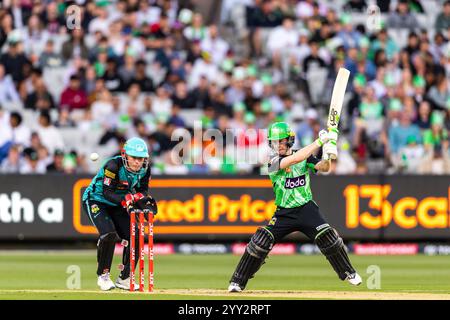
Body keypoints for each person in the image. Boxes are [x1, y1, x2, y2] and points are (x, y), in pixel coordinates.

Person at [228, 122, 361, 292]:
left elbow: (324, 168)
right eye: (274, 142)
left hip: (306, 209)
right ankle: (237, 282)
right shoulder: (273, 161)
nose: (278, 145)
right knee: (260, 242)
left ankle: (349, 272)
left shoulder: (304, 155)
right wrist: (319, 142)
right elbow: (295, 159)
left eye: (281, 141)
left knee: (329, 238)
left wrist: (328, 153)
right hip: (284, 212)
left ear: (289, 140)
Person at [82, 137, 158, 291]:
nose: (137, 162)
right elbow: (107, 192)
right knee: (109, 234)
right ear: (125, 156)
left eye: (140, 158)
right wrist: (127, 199)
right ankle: (103, 276)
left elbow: (142, 190)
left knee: (136, 236)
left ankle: (124, 278)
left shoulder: (145, 169)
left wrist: (139, 199)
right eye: (134, 158)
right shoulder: (113, 165)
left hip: (119, 203)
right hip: (96, 200)